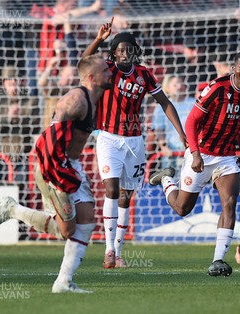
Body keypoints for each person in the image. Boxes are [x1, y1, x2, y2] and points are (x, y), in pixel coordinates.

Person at [0, 55, 112, 293]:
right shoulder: (75, 101)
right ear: (93, 78)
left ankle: (63, 282)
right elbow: (48, 141)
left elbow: (85, 62)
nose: (111, 73)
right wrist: (58, 171)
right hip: (54, 165)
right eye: (106, 71)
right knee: (66, 231)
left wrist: (98, 40)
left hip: (71, 164)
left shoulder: (95, 94)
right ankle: (12, 209)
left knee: (86, 221)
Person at [82, 18, 186, 269]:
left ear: (135, 52)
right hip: (108, 138)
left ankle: (118, 253)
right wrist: (98, 39)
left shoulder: (145, 75)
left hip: (135, 142)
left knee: (126, 197)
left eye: (129, 49)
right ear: (114, 53)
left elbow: (165, 103)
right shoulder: (107, 68)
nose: (125, 53)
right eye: (120, 50)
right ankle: (108, 250)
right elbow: (83, 63)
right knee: (111, 189)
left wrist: (180, 133)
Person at [148, 50, 240, 276]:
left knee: (229, 202)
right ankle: (167, 179)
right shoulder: (217, 89)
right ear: (233, 68)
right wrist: (196, 153)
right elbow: (191, 121)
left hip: (227, 156)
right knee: (182, 208)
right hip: (202, 151)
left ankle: (218, 260)